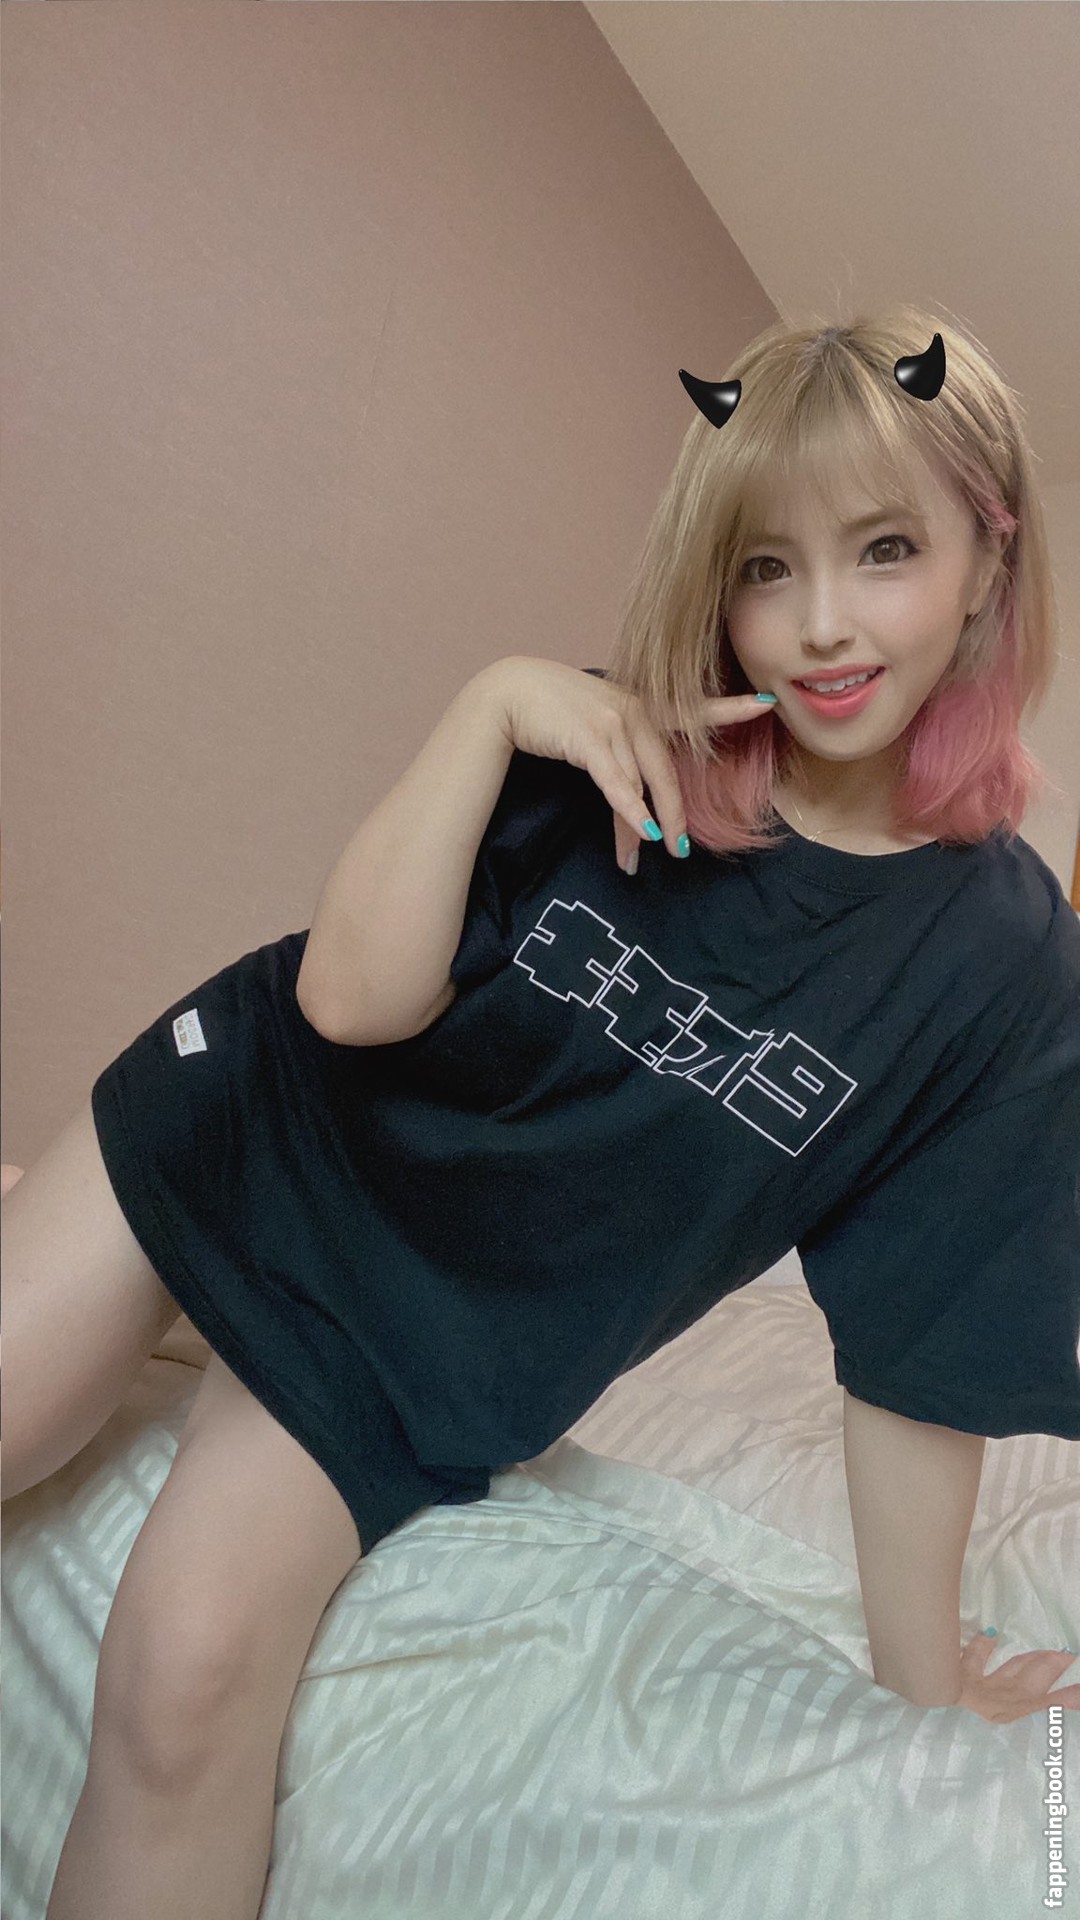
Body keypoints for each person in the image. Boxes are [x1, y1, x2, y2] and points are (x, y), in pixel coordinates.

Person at [4, 306, 1078, 1920]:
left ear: (988, 562)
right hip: (256, 1115)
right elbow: (345, 1005)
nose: (820, 624)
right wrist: (493, 703)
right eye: (766, 566)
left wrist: (924, 1683)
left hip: (418, 1333)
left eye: (884, 551)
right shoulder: (613, 743)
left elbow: (927, 1339)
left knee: (183, 1676)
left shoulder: (1001, 967)